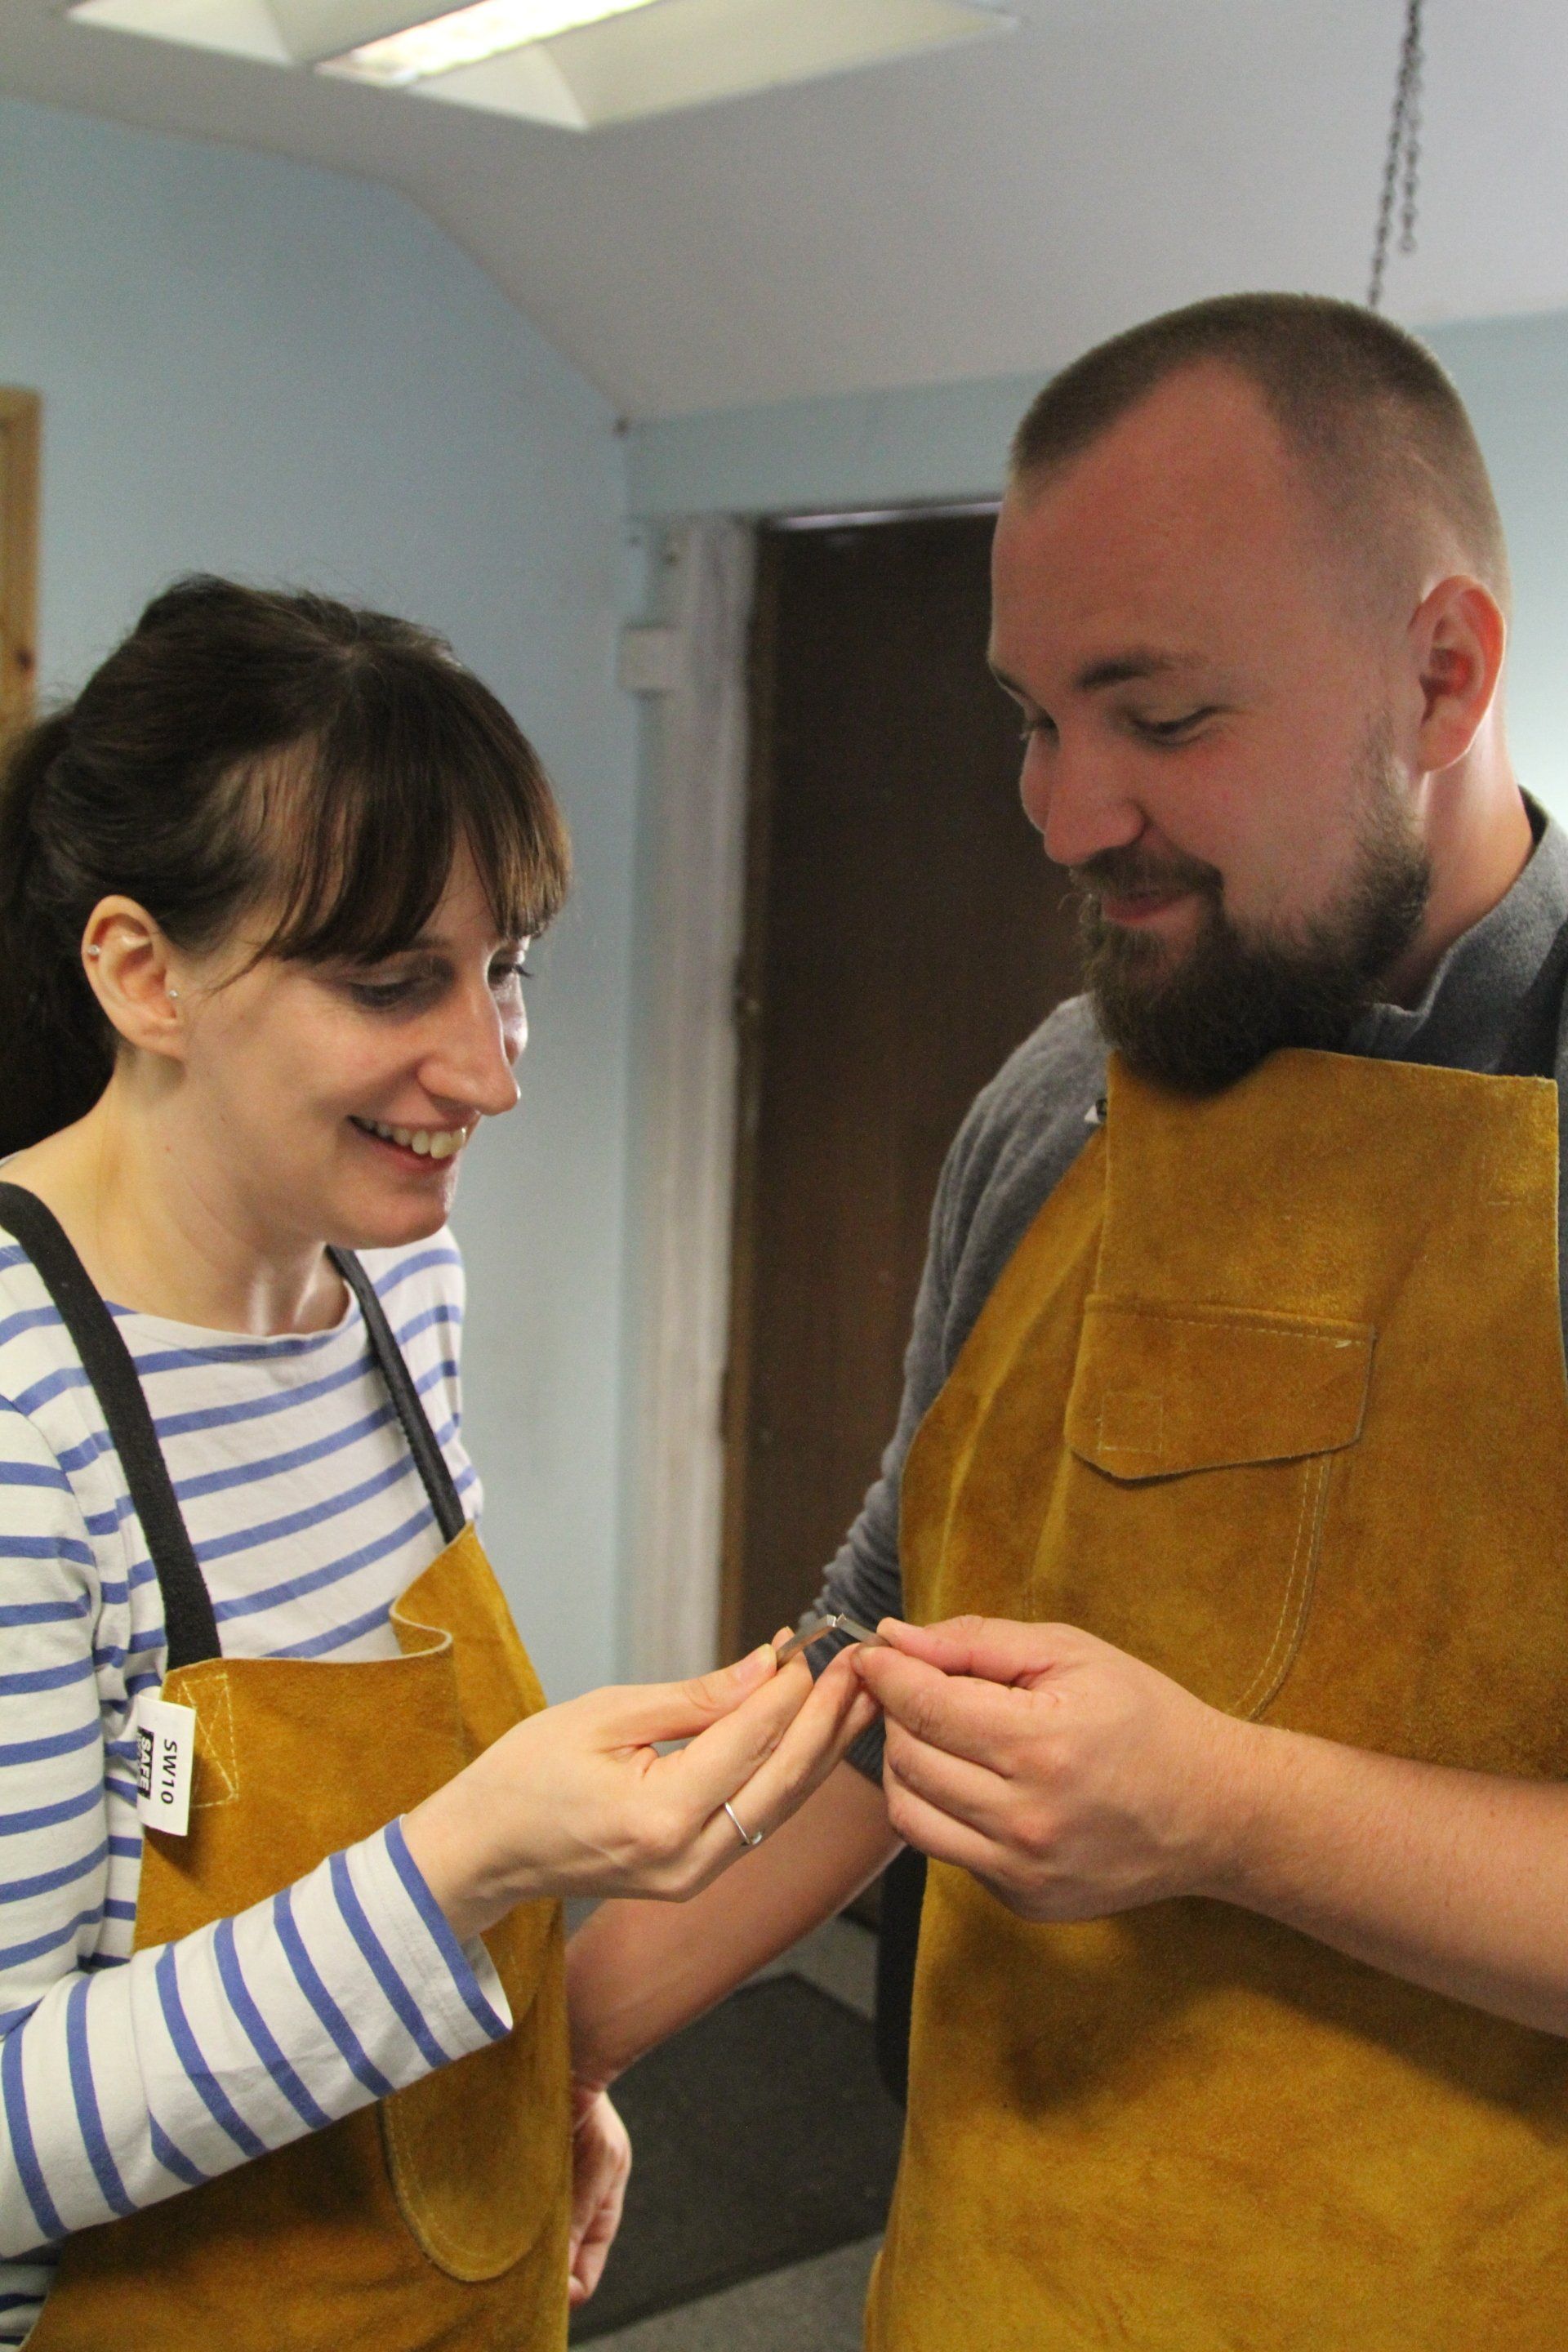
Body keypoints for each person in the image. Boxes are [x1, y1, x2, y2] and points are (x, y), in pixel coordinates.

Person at [567, 293, 1568, 2349]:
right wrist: (544, 2045)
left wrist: (1224, 1808)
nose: (1061, 811)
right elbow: (893, 1640)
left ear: (1444, 671)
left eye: (1161, 718)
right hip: (989, 2279)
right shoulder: (1059, 1094)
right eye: (1033, 714)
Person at [0, 577, 873, 2351]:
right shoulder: (24, 1417)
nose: (490, 1070)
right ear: (142, 973)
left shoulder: (400, 1285)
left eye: (509, 971)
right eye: (396, 980)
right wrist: (467, 1867)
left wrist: (521, 2073)